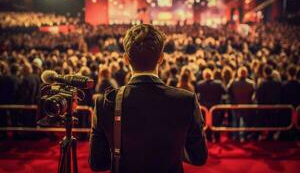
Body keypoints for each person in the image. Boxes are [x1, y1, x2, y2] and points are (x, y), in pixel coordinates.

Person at [89, 24, 208, 173]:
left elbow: (98, 163)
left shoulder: (104, 103)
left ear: (126, 59)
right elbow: (198, 157)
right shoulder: (186, 99)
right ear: (161, 59)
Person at [196, 68, 226, 142]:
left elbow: (197, 94)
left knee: (207, 123)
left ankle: (208, 138)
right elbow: (224, 92)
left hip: (205, 107)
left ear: (204, 76)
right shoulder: (218, 83)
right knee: (216, 123)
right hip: (216, 106)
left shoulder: (200, 84)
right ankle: (217, 138)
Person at [228, 66, 255, 142]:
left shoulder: (232, 82)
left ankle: (235, 137)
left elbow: (229, 92)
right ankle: (244, 136)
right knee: (245, 122)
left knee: (235, 122)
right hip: (247, 105)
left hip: (236, 105)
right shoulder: (251, 83)